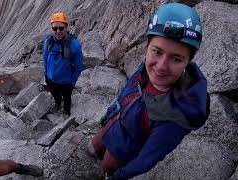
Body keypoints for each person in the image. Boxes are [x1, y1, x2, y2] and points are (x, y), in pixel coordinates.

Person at [92, 3, 210, 179]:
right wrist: (108, 116)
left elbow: (146, 159)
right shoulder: (145, 70)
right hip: (113, 124)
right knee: (95, 146)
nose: (161, 67)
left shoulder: (177, 115)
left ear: (188, 62)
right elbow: (126, 93)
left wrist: (119, 176)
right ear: (146, 47)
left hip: (122, 149)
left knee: (105, 168)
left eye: (176, 59)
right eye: (157, 51)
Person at [43, 12, 83, 116]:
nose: (58, 31)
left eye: (61, 28)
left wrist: (72, 81)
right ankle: (57, 104)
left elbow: (78, 66)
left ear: (66, 27)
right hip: (51, 79)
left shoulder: (74, 44)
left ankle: (66, 111)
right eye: (55, 28)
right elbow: (45, 58)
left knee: (67, 98)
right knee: (55, 95)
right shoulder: (49, 41)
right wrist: (46, 74)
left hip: (66, 81)